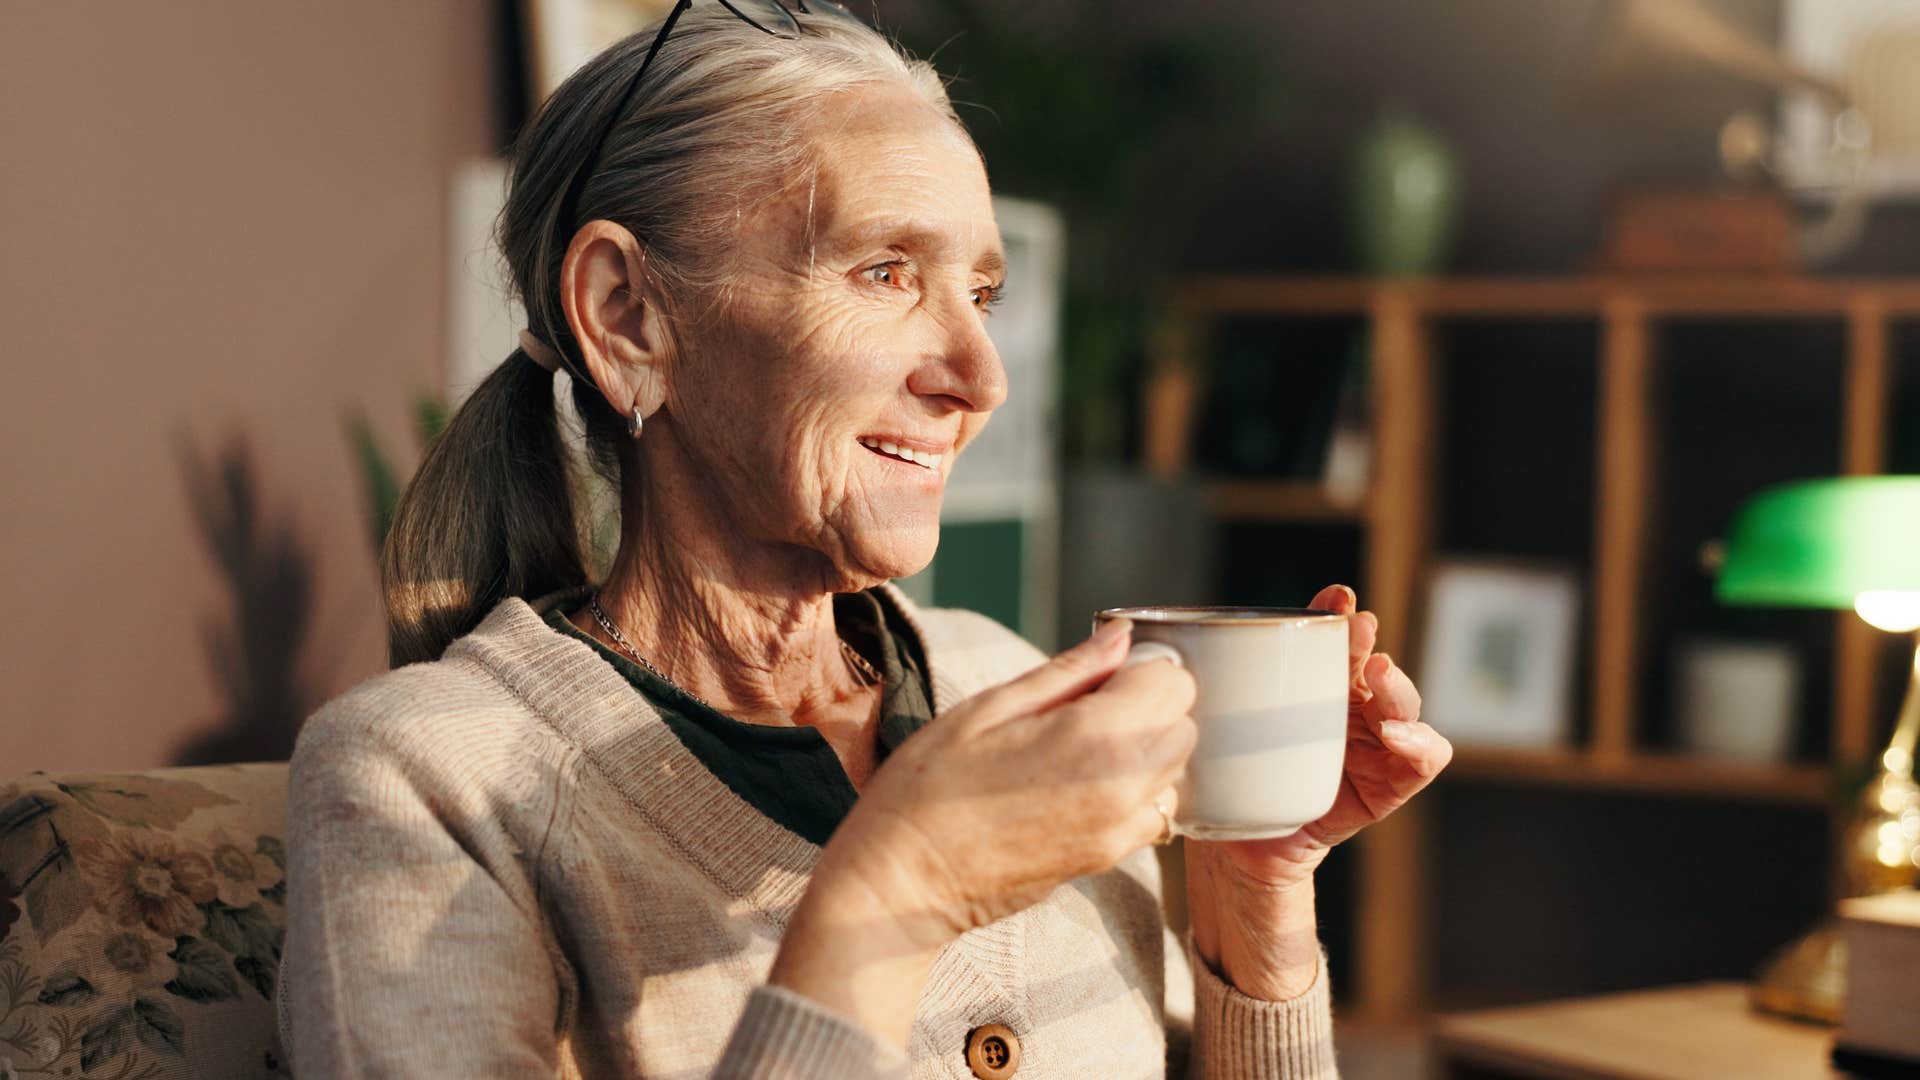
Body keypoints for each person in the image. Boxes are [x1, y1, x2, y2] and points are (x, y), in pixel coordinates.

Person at [277, 3, 1452, 1076]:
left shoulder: (1004, 679)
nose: (980, 378)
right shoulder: (423, 781)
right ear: (629, 317)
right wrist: (903, 887)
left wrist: (1255, 895)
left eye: (981, 294)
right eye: (886, 272)